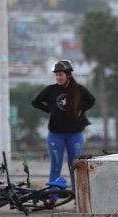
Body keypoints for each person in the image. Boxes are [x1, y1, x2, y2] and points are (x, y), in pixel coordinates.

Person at [31, 60, 96, 194]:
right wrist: (49, 109)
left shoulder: (79, 89)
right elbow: (35, 101)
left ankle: (76, 196)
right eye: (56, 75)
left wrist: (80, 109)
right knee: (56, 165)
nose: (58, 77)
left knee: (75, 165)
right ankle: (53, 195)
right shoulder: (51, 90)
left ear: (68, 75)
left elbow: (91, 100)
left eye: (61, 74)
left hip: (75, 134)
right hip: (55, 134)